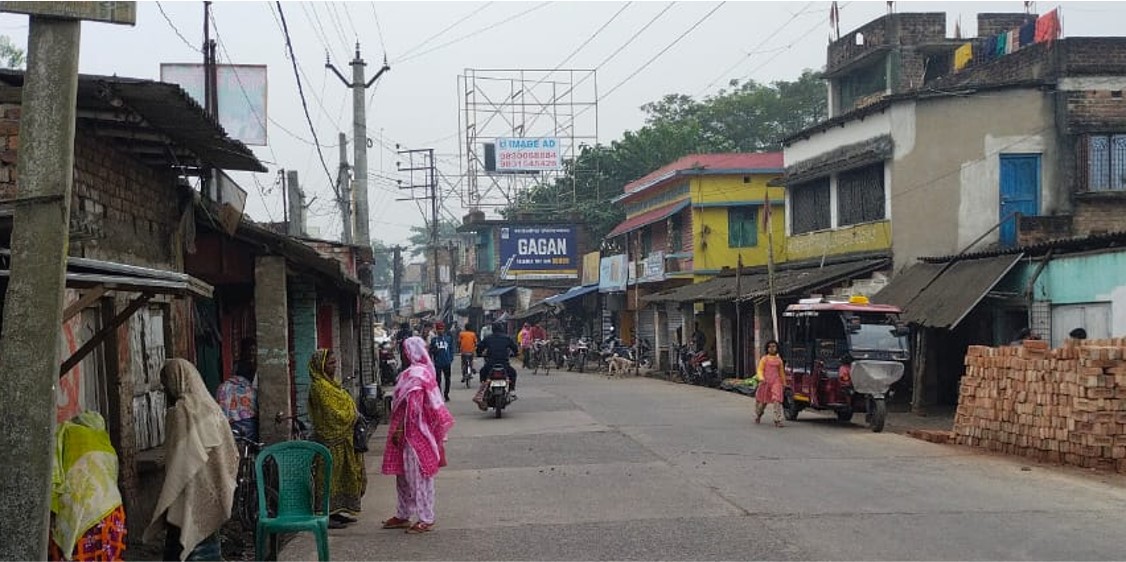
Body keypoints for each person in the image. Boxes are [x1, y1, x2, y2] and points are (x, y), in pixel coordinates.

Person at [145, 359, 239, 561]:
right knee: (208, 544)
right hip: (213, 488)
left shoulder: (180, 411)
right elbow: (232, 453)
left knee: (181, 544)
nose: (165, 391)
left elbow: (179, 463)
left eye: (165, 385)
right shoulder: (212, 407)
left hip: (187, 490)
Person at [380, 337, 456, 534]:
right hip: (405, 433)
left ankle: (425, 518)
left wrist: (399, 430)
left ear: (408, 353)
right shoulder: (417, 373)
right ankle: (403, 514)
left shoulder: (416, 375)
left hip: (415, 434)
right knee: (402, 476)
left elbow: (414, 409)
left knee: (418, 477)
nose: (403, 354)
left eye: (404, 351)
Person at [49, 411, 127, 561]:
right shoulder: (104, 441)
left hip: (82, 515)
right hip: (113, 511)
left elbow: (54, 477)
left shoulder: (67, 433)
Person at [307, 348, 367, 528]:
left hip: (344, 441)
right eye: (330, 363)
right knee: (328, 477)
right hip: (330, 441)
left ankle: (338, 510)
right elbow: (333, 413)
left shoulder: (333, 385)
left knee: (344, 476)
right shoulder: (319, 387)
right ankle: (325, 513)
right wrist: (352, 415)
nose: (334, 367)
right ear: (320, 365)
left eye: (335, 363)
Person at [216, 338, 258, 441]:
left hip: (230, 425)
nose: (252, 353)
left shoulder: (223, 387)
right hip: (248, 423)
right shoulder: (249, 388)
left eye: (254, 350)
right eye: (250, 350)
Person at [475, 322, 520, 408]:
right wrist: (516, 353)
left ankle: (484, 391)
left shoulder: (488, 338)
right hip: (504, 363)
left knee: (482, 372)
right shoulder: (507, 338)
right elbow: (515, 348)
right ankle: (511, 390)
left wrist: (479, 354)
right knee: (513, 373)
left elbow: (479, 348)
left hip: (491, 364)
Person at [754, 340, 786, 428]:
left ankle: (777, 420)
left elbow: (781, 373)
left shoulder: (779, 360)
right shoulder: (764, 359)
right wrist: (761, 378)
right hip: (765, 383)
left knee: (777, 400)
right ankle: (758, 415)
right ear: (767, 348)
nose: (772, 348)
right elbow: (760, 370)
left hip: (776, 382)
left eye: (774, 346)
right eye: (770, 347)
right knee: (762, 403)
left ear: (777, 348)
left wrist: (784, 383)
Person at [429, 321, 455, 402]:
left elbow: (451, 349)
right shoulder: (434, 340)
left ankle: (446, 394)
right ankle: (439, 395)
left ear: (444, 329)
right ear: (436, 330)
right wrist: (434, 351)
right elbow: (431, 351)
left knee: (447, 379)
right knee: (438, 380)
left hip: (447, 362)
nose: (440, 331)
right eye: (439, 329)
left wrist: (451, 358)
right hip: (438, 363)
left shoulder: (448, 339)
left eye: (442, 329)